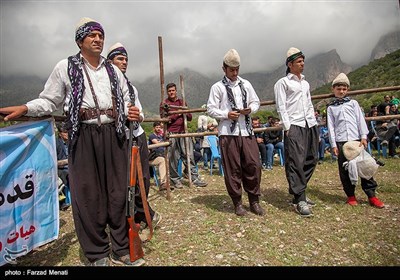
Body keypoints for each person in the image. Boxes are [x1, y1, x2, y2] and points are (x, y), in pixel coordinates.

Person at [0, 18, 145, 266]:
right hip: (83, 136)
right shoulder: (65, 67)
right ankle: (97, 252)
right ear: (80, 40)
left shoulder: (113, 71)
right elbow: (49, 101)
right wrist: (26, 107)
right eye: (92, 35)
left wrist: (135, 113)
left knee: (119, 193)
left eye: (101, 35)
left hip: (115, 134)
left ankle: (121, 248)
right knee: (88, 195)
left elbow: (129, 102)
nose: (98, 39)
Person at [107, 42, 161, 229]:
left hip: (137, 134)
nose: (124, 62)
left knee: (143, 179)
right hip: (120, 138)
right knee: (126, 181)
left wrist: (138, 115)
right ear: (110, 62)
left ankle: (142, 214)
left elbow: (141, 112)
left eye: (126, 60)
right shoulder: (106, 86)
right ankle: (136, 217)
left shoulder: (131, 87)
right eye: (120, 59)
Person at [207, 48, 265, 216]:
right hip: (228, 132)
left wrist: (250, 109)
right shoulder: (217, 87)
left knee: (254, 165)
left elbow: (256, 101)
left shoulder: (246, 84)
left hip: (246, 131)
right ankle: (237, 203)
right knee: (233, 168)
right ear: (224, 68)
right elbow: (211, 108)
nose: (234, 72)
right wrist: (226, 114)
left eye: (237, 69)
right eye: (231, 69)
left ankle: (254, 200)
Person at [326, 73, 385, 208]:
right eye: (338, 88)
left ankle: (371, 195)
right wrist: (333, 144)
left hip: (356, 140)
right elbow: (331, 127)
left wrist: (363, 136)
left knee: (364, 166)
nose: (341, 91)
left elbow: (360, 120)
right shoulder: (331, 108)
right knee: (344, 169)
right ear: (333, 89)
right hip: (341, 142)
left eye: (344, 89)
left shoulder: (353, 103)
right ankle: (351, 196)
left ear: (347, 90)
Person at [274, 47, 318, 217]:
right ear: (290, 64)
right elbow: (281, 106)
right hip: (294, 124)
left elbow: (309, 103)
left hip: (309, 123)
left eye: (303, 61)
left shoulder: (305, 83)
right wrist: (287, 127)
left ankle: (298, 191)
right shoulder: (283, 83)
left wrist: (313, 121)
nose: (302, 64)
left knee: (312, 158)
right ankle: (300, 198)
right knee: (295, 161)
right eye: (299, 61)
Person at [159, 82, 207, 188]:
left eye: (173, 90)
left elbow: (189, 117)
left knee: (189, 155)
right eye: (169, 91)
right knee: (173, 158)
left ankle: (194, 178)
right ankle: (175, 180)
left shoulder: (182, 102)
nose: (171, 92)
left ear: (176, 91)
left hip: (184, 132)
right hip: (171, 134)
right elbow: (164, 120)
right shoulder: (164, 104)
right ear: (167, 92)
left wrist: (185, 111)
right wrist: (178, 113)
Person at [148, 121, 169, 190]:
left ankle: (167, 181)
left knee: (168, 158)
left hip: (161, 155)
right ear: (154, 128)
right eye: (157, 127)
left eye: (159, 127)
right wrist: (164, 142)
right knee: (162, 160)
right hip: (152, 158)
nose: (158, 129)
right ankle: (163, 182)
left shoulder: (161, 136)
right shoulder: (152, 136)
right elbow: (157, 143)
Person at [55, 122, 71, 211]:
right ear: (60, 134)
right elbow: (53, 161)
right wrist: (66, 162)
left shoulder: (72, 142)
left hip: (73, 167)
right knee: (65, 175)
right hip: (61, 168)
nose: (67, 134)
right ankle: (63, 202)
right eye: (65, 132)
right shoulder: (56, 144)